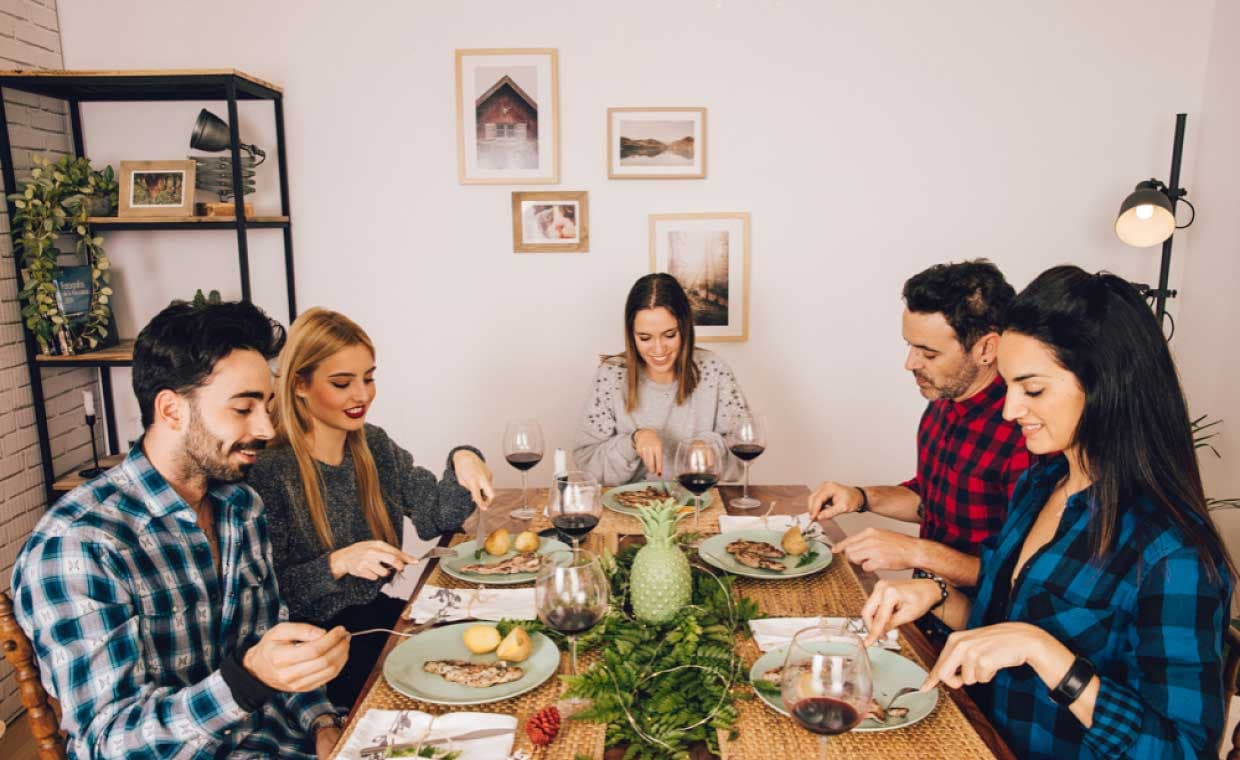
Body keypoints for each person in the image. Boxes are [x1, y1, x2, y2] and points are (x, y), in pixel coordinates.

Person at [860, 266, 1234, 758]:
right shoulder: (1041, 485)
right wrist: (934, 596)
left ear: (1105, 386)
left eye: (1032, 390)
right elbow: (996, 624)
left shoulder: (1172, 554)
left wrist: (1048, 654)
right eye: (1010, 386)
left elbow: (1183, 750)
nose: (1011, 410)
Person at [11, 301, 349, 759]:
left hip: (276, 744)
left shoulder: (240, 506)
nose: (267, 428)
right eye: (243, 408)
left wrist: (323, 724)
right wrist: (247, 680)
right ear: (171, 410)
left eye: (266, 406)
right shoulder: (80, 543)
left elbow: (274, 639)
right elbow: (107, 741)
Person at [247, 307, 494, 708]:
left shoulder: (372, 444)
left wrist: (464, 457)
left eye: (368, 378)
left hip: (376, 621)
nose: (362, 395)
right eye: (343, 383)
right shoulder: (271, 471)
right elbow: (266, 601)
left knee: (487, 652)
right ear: (299, 385)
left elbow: (438, 516)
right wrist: (337, 563)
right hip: (313, 654)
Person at [807, 260, 1033, 595]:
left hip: (985, 629)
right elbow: (931, 500)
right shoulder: (942, 403)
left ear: (987, 348)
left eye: (928, 353)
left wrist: (914, 551)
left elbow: (1020, 574)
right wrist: (860, 497)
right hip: (926, 607)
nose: (910, 364)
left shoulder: (1025, 431)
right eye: (910, 346)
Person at [574, 273, 750, 486]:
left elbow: (742, 454)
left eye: (669, 335)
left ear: (685, 328)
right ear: (631, 335)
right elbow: (587, 466)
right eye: (645, 338)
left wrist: (710, 447)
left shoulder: (714, 369)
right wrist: (634, 440)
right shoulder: (611, 376)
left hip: (697, 504)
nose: (659, 349)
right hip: (629, 508)